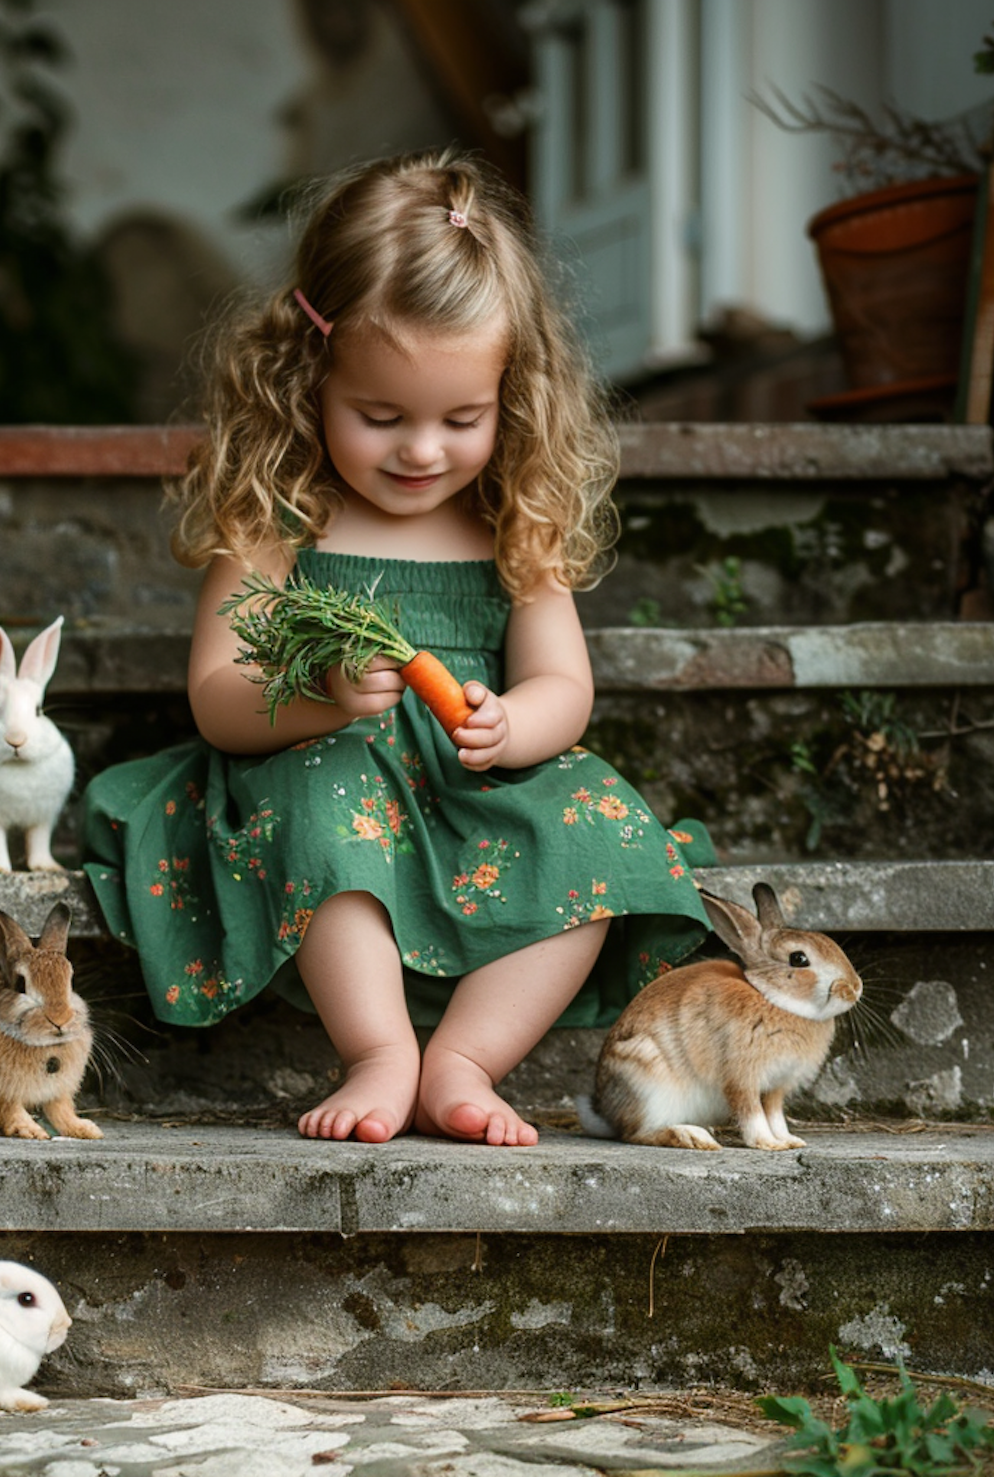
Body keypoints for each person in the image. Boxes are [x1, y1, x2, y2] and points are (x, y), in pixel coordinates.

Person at [83, 149, 712, 1147]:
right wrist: (325, 697)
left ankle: (466, 1057)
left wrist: (516, 726)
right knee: (331, 813)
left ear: (511, 393)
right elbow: (216, 693)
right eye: (381, 417)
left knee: (609, 832)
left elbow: (564, 683)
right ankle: (378, 1048)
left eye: (462, 418)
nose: (423, 450)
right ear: (308, 377)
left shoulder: (513, 524)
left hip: (468, 784)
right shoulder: (279, 520)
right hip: (317, 775)